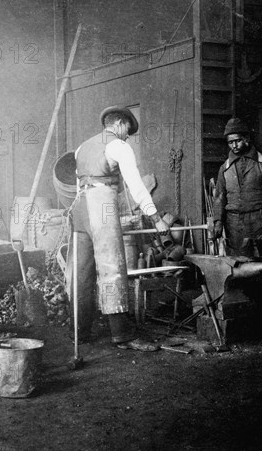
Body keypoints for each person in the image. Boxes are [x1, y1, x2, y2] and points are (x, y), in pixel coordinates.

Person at [66, 106, 170, 351]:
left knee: (81, 273)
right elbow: (135, 185)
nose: (127, 136)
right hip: (101, 206)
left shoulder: (82, 147)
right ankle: (122, 334)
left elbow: (82, 180)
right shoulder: (119, 146)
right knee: (112, 267)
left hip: (79, 207)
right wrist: (156, 218)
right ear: (120, 124)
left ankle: (78, 333)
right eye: (127, 131)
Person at [213, 117, 262, 257]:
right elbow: (219, 196)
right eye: (230, 142)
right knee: (237, 267)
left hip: (260, 223)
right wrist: (218, 221)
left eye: (237, 141)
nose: (234, 146)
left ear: (246, 138)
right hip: (234, 226)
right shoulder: (225, 168)